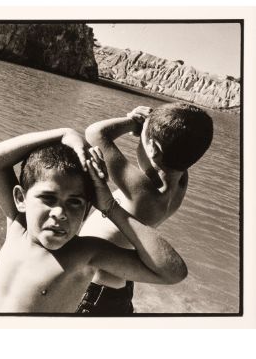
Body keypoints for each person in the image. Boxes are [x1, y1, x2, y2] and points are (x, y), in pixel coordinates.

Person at [0, 128, 187, 313]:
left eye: (75, 202)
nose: (60, 212)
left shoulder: (86, 254)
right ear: (20, 199)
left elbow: (173, 272)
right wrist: (64, 134)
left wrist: (110, 207)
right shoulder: (17, 226)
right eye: (48, 198)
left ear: (88, 207)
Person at [77, 103, 213, 314]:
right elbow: (184, 143)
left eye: (141, 138)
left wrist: (132, 121)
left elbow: (95, 133)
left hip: (94, 291)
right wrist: (148, 131)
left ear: (153, 149)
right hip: (119, 288)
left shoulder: (143, 191)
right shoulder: (179, 185)